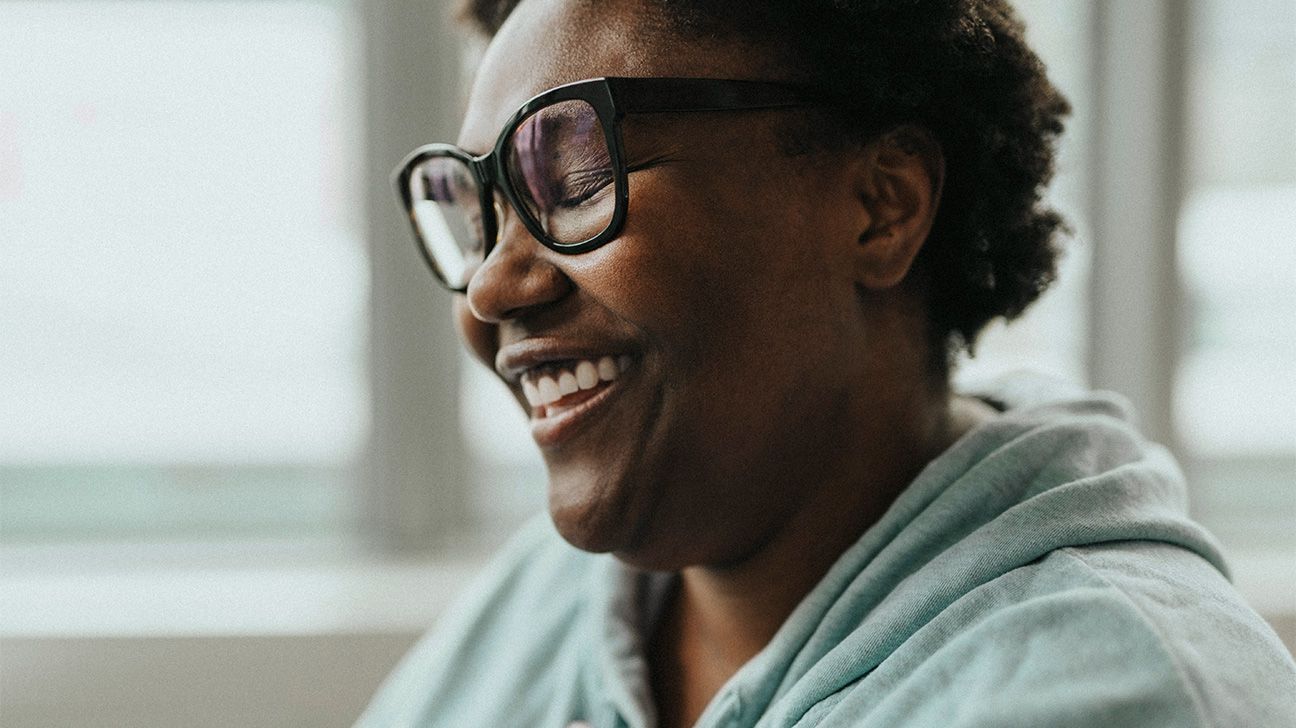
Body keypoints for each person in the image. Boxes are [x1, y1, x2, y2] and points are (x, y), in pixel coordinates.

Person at [357, 1, 1296, 726]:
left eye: (578, 172)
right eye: (479, 205)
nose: (489, 288)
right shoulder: (553, 606)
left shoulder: (1108, 690)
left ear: (881, 206)